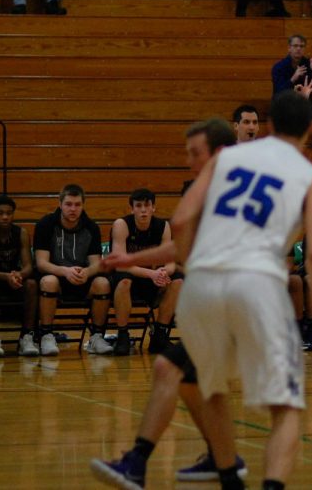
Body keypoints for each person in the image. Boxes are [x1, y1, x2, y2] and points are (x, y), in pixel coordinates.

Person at [171, 92, 312, 489]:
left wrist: (189, 266)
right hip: (257, 284)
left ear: (267, 125)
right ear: (311, 129)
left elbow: (180, 222)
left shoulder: (225, 158)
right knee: (286, 408)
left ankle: (229, 478)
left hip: (199, 285)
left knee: (210, 387)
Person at [91, 119, 248, 488]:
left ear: (218, 152)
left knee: (169, 370)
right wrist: (129, 260)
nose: (189, 160)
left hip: (239, 302)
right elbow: (185, 247)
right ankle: (225, 466)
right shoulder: (215, 187)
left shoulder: (228, 190)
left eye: (196, 153)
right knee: (195, 385)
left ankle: (137, 464)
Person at [34, 184, 113, 356]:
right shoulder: (45, 224)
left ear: (83, 205)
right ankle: (46, 335)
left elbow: (96, 263)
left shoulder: (92, 227)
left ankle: (96, 336)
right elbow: (41, 263)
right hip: (57, 277)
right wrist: (64, 271)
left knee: (102, 282)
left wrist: (87, 272)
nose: (73, 209)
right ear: (60, 203)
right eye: (69, 204)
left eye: (77, 204)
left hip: (81, 278)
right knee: (48, 281)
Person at [109, 188, 181, 356]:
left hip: (153, 277)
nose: (143, 210)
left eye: (147, 205)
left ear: (153, 208)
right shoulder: (122, 225)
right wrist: (152, 274)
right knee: (123, 281)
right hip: (130, 275)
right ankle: (122, 335)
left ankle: (160, 335)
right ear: (131, 209)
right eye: (138, 206)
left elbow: (171, 263)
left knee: (178, 280)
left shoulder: (163, 226)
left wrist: (163, 272)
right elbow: (120, 264)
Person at [0, 194, 39, 357]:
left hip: (14, 279)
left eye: (9, 213)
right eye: (0, 213)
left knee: (32, 284)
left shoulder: (21, 233)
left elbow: (28, 266)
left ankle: (27, 336)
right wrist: (6, 277)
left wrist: (18, 275)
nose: (5, 216)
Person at [271, 34, 312, 145]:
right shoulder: (279, 67)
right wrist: (293, 79)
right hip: (286, 105)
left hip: (306, 104)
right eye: (295, 46)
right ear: (289, 48)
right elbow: (278, 91)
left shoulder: (309, 64)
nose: (298, 49)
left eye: (301, 46)